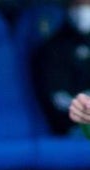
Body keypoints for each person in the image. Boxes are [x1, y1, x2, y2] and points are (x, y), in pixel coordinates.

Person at [31, 0, 90, 135]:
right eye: (79, 4)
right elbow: (59, 101)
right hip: (73, 129)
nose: (84, 9)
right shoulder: (53, 49)